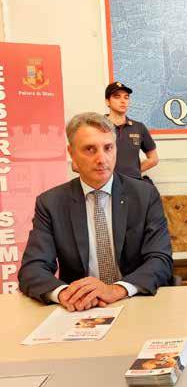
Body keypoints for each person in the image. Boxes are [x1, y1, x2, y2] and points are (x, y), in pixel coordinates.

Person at [18, 112, 173, 311]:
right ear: (72, 152)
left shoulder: (145, 195)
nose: (102, 159)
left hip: (134, 303)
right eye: (90, 149)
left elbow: (160, 260)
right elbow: (32, 268)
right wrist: (66, 294)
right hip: (80, 308)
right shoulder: (51, 203)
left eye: (108, 148)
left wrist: (116, 290)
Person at [104, 81, 159, 181]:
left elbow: (154, 159)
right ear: (107, 101)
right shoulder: (97, 126)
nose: (123, 101)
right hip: (106, 183)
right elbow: (77, 163)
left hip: (132, 183)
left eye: (126, 97)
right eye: (117, 97)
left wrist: (134, 172)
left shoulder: (139, 127)